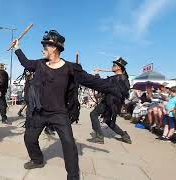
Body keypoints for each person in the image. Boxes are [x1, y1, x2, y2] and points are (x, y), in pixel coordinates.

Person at [13, 30, 121, 180]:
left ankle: (73, 176)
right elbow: (25, 62)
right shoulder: (39, 64)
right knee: (29, 139)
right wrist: (17, 48)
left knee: (69, 144)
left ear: (54, 48)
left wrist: (114, 88)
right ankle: (37, 160)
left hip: (59, 113)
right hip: (39, 113)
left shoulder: (70, 68)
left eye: (45, 47)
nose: (42, 49)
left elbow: (91, 80)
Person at [89, 58, 131, 144]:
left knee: (93, 114)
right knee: (108, 121)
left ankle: (99, 137)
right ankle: (125, 136)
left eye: (114, 65)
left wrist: (97, 74)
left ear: (119, 68)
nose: (112, 67)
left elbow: (101, 84)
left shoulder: (116, 78)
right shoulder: (124, 78)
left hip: (109, 102)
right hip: (115, 104)